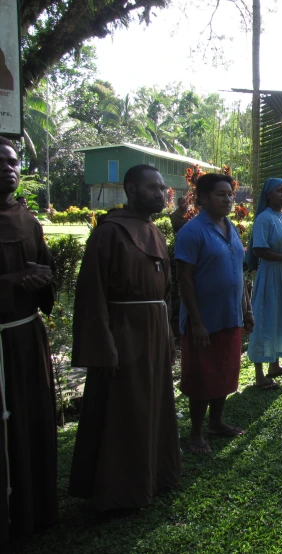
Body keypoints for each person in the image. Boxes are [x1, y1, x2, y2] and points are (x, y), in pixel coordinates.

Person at [69, 164, 181, 511]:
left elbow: (166, 292)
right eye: (153, 188)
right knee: (125, 408)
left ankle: (156, 476)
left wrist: (169, 335)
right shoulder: (110, 232)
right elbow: (92, 294)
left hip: (154, 329)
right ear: (131, 189)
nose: (161, 195)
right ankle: (121, 489)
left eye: (163, 189)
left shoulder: (156, 232)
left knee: (155, 403)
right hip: (123, 331)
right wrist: (104, 343)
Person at [0, 137, 56, 543]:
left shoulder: (27, 218)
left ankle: (33, 510)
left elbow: (46, 268)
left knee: (31, 421)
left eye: (15, 162)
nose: (9, 168)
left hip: (26, 333)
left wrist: (41, 277)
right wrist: (11, 281)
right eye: (0, 162)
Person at [175, 173, 254, 453]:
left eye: (230, 194)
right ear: (203, 198)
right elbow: (184, 279)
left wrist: (247, 308)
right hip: (203, 322)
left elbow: (238, 272)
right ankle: (196, 434)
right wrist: (196, 322)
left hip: (230, 316)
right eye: (221, 194)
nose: (228, 199)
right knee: (201, 378)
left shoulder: (231, 228)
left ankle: (216, 423)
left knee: (225, 372)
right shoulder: (192, 232)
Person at [245, 178, 282, 388]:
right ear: (268, 195)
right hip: (270, 276)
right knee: (266, 317)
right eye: (279, 191)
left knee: (280, 316)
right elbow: (259, 250)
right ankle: (259, 374)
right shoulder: (264, 219)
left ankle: (274, 365)